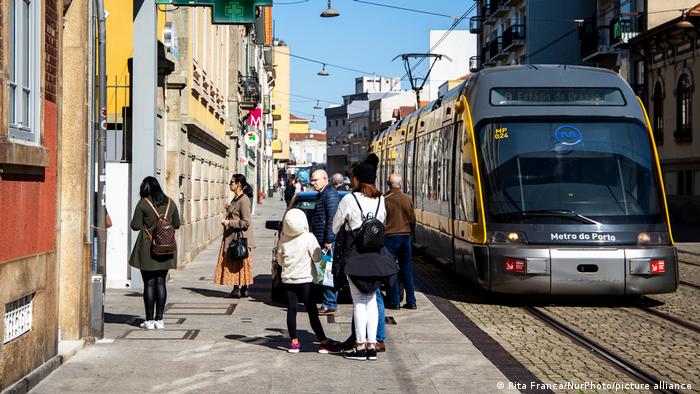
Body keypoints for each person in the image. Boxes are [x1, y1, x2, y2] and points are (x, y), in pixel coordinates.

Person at [332, 154, 395, 361]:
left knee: (359, 302)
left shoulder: (349, 199)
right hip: (376, 255)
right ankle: (371, 345)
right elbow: (382, 222)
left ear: (357, 179)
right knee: (371, 301)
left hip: (355, 255)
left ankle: (359, 346)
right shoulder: (380, 200)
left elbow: (335, 226)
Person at [277, 208, 341, 354]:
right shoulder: (308, 237)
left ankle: (294, 342)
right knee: (311, 310)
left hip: (288, 280)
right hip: (305, 279)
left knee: (291, 310)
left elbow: (280, 259)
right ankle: (323, 341)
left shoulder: (284, 237)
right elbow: (317, 257)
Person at [129, 176, 181, 330]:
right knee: (161, 282)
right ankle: (160, 319)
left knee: (149, 283)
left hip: (148, 249)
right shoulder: (170, 203)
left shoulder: (143, 203)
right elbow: (177, 224)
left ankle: (149, 320)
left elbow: (135, 226)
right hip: (167, 248)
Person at [214, 174, 256, 298]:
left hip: (239, 238)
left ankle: (237, 289)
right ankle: (242, 289)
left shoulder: (243, 200)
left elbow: (246, 222)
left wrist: (228, 222)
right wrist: (229, 207)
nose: (230, 184)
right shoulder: (236, 198)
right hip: (232, 237)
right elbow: (236, 213)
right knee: (237, 262)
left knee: (237, 261)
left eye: (232, 182)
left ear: (239, 184)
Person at [310, 170, 341, 315]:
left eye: (315, 180)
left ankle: (329, 304)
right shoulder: (323, 194)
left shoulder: (330, 194)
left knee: (327, 273)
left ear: (324, 179)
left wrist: (329, 239)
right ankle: (327, 302)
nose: (313, 183)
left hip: (327, 242)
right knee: (323, 273)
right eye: (312, 180)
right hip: (322, 240)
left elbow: (332, 219)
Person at [384, 174, 417, 310]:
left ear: (388, 184)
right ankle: (412, 301)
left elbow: (382, 220)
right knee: (407, 270)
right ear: (401, 184)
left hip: (390, 238)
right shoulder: (407, 199)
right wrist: (410, 233)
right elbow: (413, 220)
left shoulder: (385, 199)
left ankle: (394, 301)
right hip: (405, 238)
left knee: (391, 270)